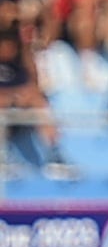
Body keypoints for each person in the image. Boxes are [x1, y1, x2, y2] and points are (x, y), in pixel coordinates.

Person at [0, 23, 79, 180]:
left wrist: (27, 51)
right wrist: (12, 96)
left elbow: (34, 87)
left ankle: (55, 154)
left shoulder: (18, 68)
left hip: (18, 114)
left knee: (38, 101)